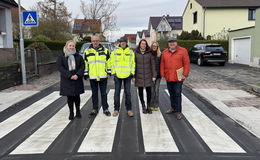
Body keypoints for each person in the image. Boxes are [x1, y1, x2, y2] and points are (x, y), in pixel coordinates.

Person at [160, 37, 190, 120]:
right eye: (170, 42)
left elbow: (186, 63)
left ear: (176, 43)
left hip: (179, 76)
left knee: (177, 93)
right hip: (169, 76)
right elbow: (162, 64)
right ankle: (173, 108)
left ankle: (178, 111)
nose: (171, 43)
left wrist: (185, 74)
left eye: (173, 42)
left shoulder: (183, 51)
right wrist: (162, 74)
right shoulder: (165, 52)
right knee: (171, 93)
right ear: (168, 44)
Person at [57, 40, 85, 120]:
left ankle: (78, 111)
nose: (72, 47)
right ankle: (71, 112)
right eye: (70, 46)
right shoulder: (61, 56)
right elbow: (60, 67)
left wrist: (77, 75)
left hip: (77, 79)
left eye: (73, 46)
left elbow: (82, 66)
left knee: (77, 96)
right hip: (67, 80)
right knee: (70, 97)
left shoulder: (78, 56)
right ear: (66, 46)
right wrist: (70, 75)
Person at [84, 35, 111, 117]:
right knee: (94, 94)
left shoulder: (106, 51)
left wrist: (109, 72)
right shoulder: (87, 51)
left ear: (99, 41)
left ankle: (105, 109)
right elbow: (85, 64)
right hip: (92, 76)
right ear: (91, 41)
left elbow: (108, 63)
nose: (95, 42)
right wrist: (86, 74)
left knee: (103, 94)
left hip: (103, 76)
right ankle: (94, 109)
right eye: (93, 41)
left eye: (97, 41)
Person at [109, 37, 135, 117]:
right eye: (121, 42)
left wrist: (132, 73)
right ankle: (116, 109)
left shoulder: (131, 52)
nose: (123, 43)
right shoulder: (114, 52)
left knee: (128, 93)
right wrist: (113, 72)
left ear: (126, 43)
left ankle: (129, 109)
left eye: (124, 42)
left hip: (127, 76)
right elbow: (111, 62)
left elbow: (133, 63)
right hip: (117, 76)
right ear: (119, 43)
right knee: (117, 93)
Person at [134, 39, 156, 114]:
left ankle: (148, 106)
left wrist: (154, 75)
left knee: (149, 91)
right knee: (140, 91)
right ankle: (143, 105)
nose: (143, 45)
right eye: (142, 44)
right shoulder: (136, 53)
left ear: (146, 45)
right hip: (139, 75)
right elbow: (134, 65)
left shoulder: (149, 53)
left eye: (145, 44)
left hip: (148, 75)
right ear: (140, 44)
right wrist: (133, 76)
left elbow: (153, 65)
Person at [150, 42, 162, 111]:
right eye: (153, 46)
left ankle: (156, 105)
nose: (154, 47)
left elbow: (161, 65)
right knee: (152, 91)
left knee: (156, 90)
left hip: (158, 76)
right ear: (151, 46)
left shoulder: (160, 55)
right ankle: (151, 104)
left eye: (156, 46)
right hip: (151, 76)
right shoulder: (149, 54)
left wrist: (158, 74)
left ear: (157, 47)